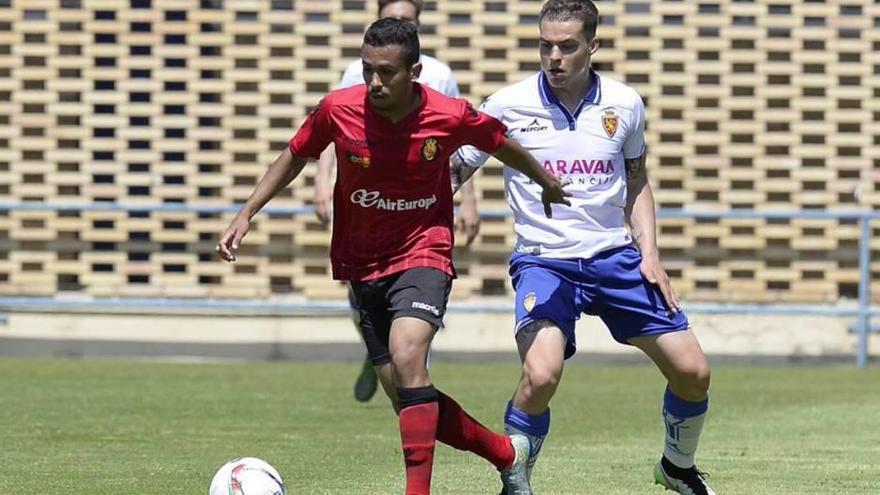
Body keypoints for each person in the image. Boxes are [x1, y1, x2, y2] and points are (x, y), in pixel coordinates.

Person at [217, 18, 570, 495]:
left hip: (424, 250)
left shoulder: (449, 114)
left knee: (409, 357)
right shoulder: (337, 110)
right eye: (368, 71)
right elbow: (296, 154)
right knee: (407, 395)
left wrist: (546, 180)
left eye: (386, 72)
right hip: (363, 262)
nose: (375, 83)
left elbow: (499, 142)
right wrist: (247, 213)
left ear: (415, 71)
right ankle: (507, 454)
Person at [454, 1, 716, 494]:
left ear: (592, 46)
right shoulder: (506, 105)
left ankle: (677, 467)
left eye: (567, 46)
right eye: (545, 45)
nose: (554, 56)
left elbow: (636, 181)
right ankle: (516, 481)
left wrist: (651, 254)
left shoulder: (625, 104)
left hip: (614, 256)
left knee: (693, 372)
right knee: (541, 374)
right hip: (544, 260)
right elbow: (454, 169)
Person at [313, 0, 480, 404]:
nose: (376, 80)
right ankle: (379, 355)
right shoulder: (356, 72)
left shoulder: (439, 75)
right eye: (391, 18)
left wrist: (468, 199)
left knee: (409, 343)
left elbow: (463, 139)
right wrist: (323, 182)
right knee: (365, 305)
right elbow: (329, 129)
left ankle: (403, 358)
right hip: (366, 211)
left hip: (419, 213)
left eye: (407, 19)